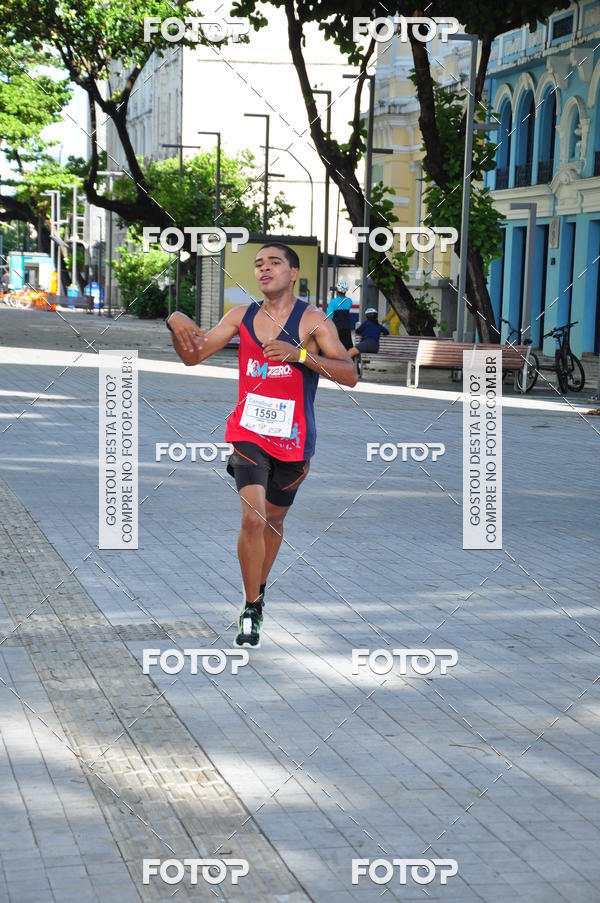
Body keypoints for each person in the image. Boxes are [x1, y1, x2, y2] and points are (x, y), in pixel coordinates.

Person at [166, 242, 357, 648]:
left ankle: (259, 587)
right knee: (253, 519)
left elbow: (350, 374)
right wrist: (177, 321)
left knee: (274, 522)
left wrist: (300, 355)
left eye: (274, 263)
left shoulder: (315, 321)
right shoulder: (241, 316)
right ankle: (251, 605)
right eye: (258, 264)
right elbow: (194, 355)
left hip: (294, 441)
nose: (264, 269)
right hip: (248, 432)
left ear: (292, 273)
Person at [326, 279, 353, 350]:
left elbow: (329, 316)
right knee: (347, 349)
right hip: (346, 329)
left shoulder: (333, 302)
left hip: (336, 328)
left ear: (337, 290)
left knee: (335, 348)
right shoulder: (349, 301)